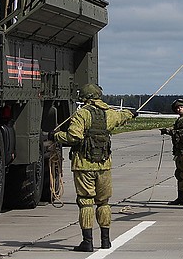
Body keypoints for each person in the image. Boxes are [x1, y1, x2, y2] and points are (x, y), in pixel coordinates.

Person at [50, 83, 137, 252]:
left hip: (84, 165)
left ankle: (87, 242)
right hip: (104, 165)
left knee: (86, 202)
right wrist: (131, 114)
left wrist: (55, 135)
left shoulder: (82, 114)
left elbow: (73, 136)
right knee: (103, 203)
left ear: (85, 98)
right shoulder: (109, 113)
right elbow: (121, 117)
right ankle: (106, 241)